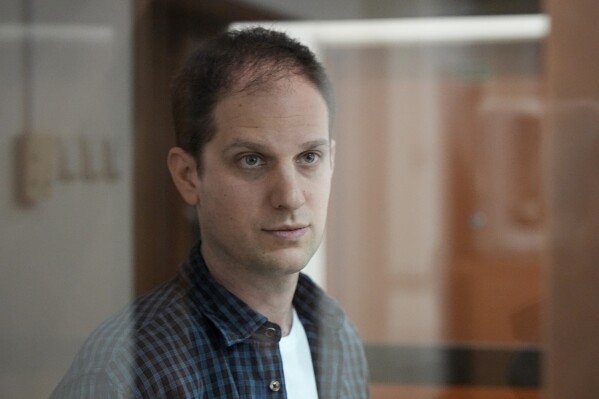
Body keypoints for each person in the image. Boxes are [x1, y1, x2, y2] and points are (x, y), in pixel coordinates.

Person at [50, 27, 369, 398]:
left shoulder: (337, 336)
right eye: (252, 160)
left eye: (309, 158)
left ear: (331, 161)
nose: (291, 197)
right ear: (189, 177)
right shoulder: (123, 372)